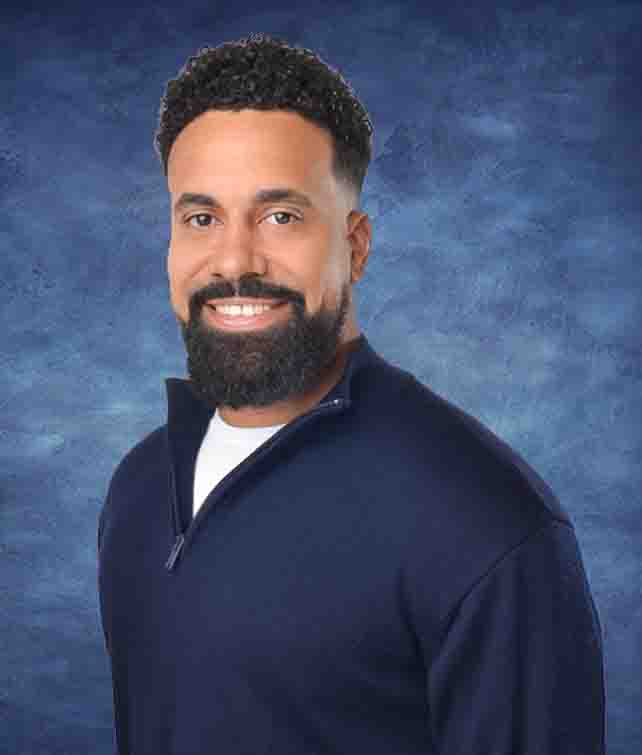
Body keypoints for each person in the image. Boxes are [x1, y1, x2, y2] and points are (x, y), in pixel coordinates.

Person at [97, 32, 605, 755]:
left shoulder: (486, 522)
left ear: (355, 245)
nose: (235, 260)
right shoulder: (140, 486)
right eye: (201, 218)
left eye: (281, 216)